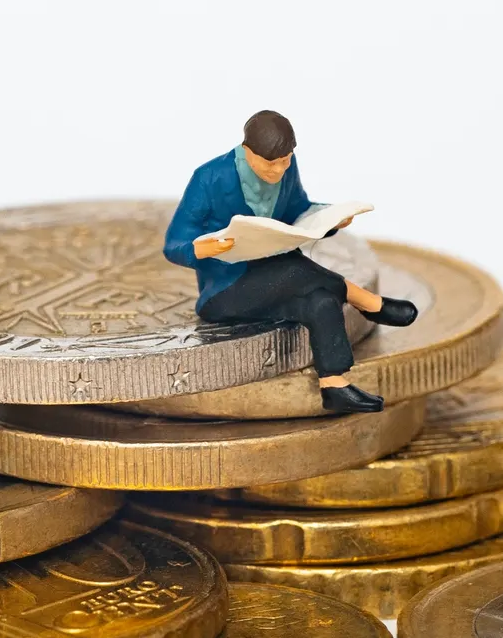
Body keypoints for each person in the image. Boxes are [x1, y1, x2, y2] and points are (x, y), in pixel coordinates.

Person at [163, 110, 417, 414]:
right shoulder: (209, 177)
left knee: (321, 300)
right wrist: (201, 249)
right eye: (270, 163)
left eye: (285, 160)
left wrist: (330, 218)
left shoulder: (287, 167)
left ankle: (333, 385)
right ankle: (369, 302)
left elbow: (299, 209)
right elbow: (174, 243)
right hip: (226, 290)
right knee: (294, 269)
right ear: (247, 151)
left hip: (279, 277)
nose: (279, 169)